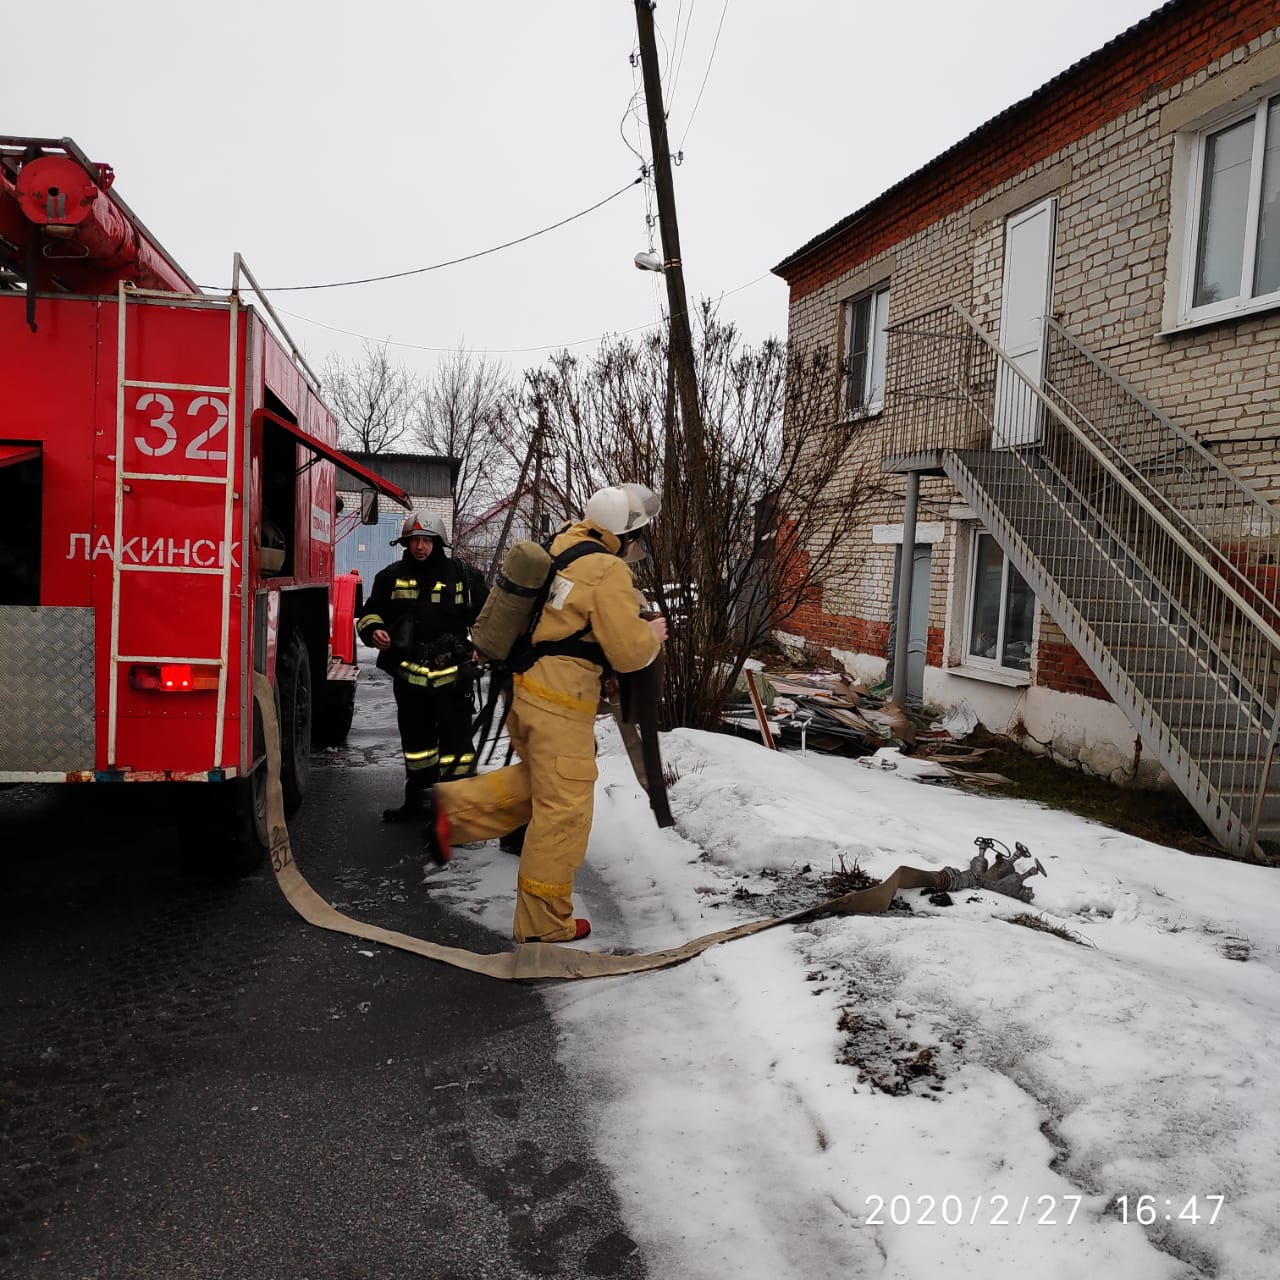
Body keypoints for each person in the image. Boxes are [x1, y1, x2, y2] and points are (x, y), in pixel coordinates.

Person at [423, 482, 669, 944]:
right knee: (565, 811)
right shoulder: (607, 569)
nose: (637, 544)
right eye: (637, 535)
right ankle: (544, 925)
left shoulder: (564, 543)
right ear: (625, 534)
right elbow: (628, 651)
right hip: (560, 702)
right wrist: (651, 635)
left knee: (542, 784)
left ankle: (452, 813)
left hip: (525, 692)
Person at [357, 512, 488, 822]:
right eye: (414, 540)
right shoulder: (390, 577)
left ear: (438, 542)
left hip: (453, 680)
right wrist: (374, 630)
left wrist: (481, 648)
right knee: (418, 749)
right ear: (405, 543)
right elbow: (369, 614)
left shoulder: (464, 577)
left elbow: (488, 618)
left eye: (426, 540)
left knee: (457, 750)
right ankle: (418, 805)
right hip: (410, 680)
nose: (420, 546)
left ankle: (457, 814)